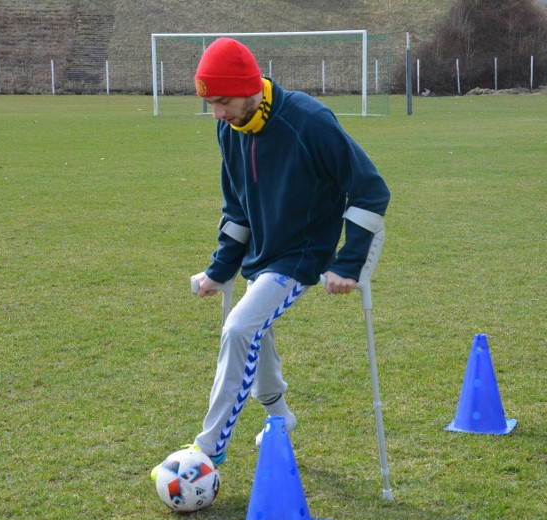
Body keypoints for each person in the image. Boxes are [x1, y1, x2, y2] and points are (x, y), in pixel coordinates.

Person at [156, 37, 391, 472]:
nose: (217, 113)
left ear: (249, 88)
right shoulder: (229, 127)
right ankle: (279, 417)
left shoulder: (308, 120)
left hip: (302, 255)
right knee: (254, 330)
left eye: (223, 101)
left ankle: (209, 448)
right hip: (262, 257)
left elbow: (370, 189)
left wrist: (347, 262)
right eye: (210, 104)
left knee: (240, 328)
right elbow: (237, 206)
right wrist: (219, 269)